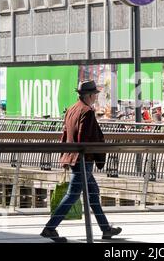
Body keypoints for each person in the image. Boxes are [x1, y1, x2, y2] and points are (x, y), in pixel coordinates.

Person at [40, 80, 122, 242]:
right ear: (90, 95)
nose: (95, 98)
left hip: (74, 157)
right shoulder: (87, 111)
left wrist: (65, 155)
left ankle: (106, 229)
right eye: (95, 95)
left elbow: (65, 134)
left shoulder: (72, 108)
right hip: (83, 159)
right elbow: (83, 137)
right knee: (72, 194)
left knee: (93, 194)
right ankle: (49, 228)